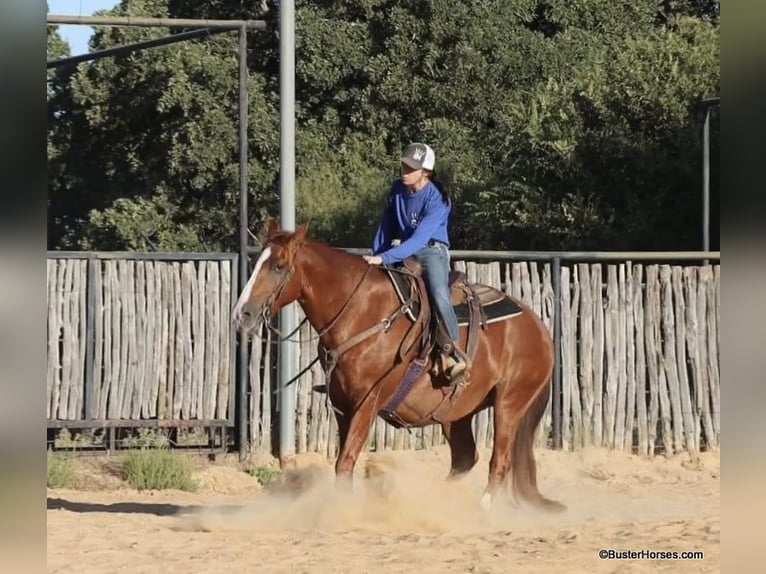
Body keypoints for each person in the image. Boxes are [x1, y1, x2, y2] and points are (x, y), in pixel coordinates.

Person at [362, 142, 467, 380]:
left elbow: (420, 238)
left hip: (431, 251)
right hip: (403, 250)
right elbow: (386, 225)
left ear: (426, 172)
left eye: (411, 168)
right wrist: (375, 254)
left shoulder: (438, 199)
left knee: (439, 294)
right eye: (404, 166)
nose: (405, 171)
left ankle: (454, 352)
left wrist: (385, 257)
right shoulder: (397, 189)